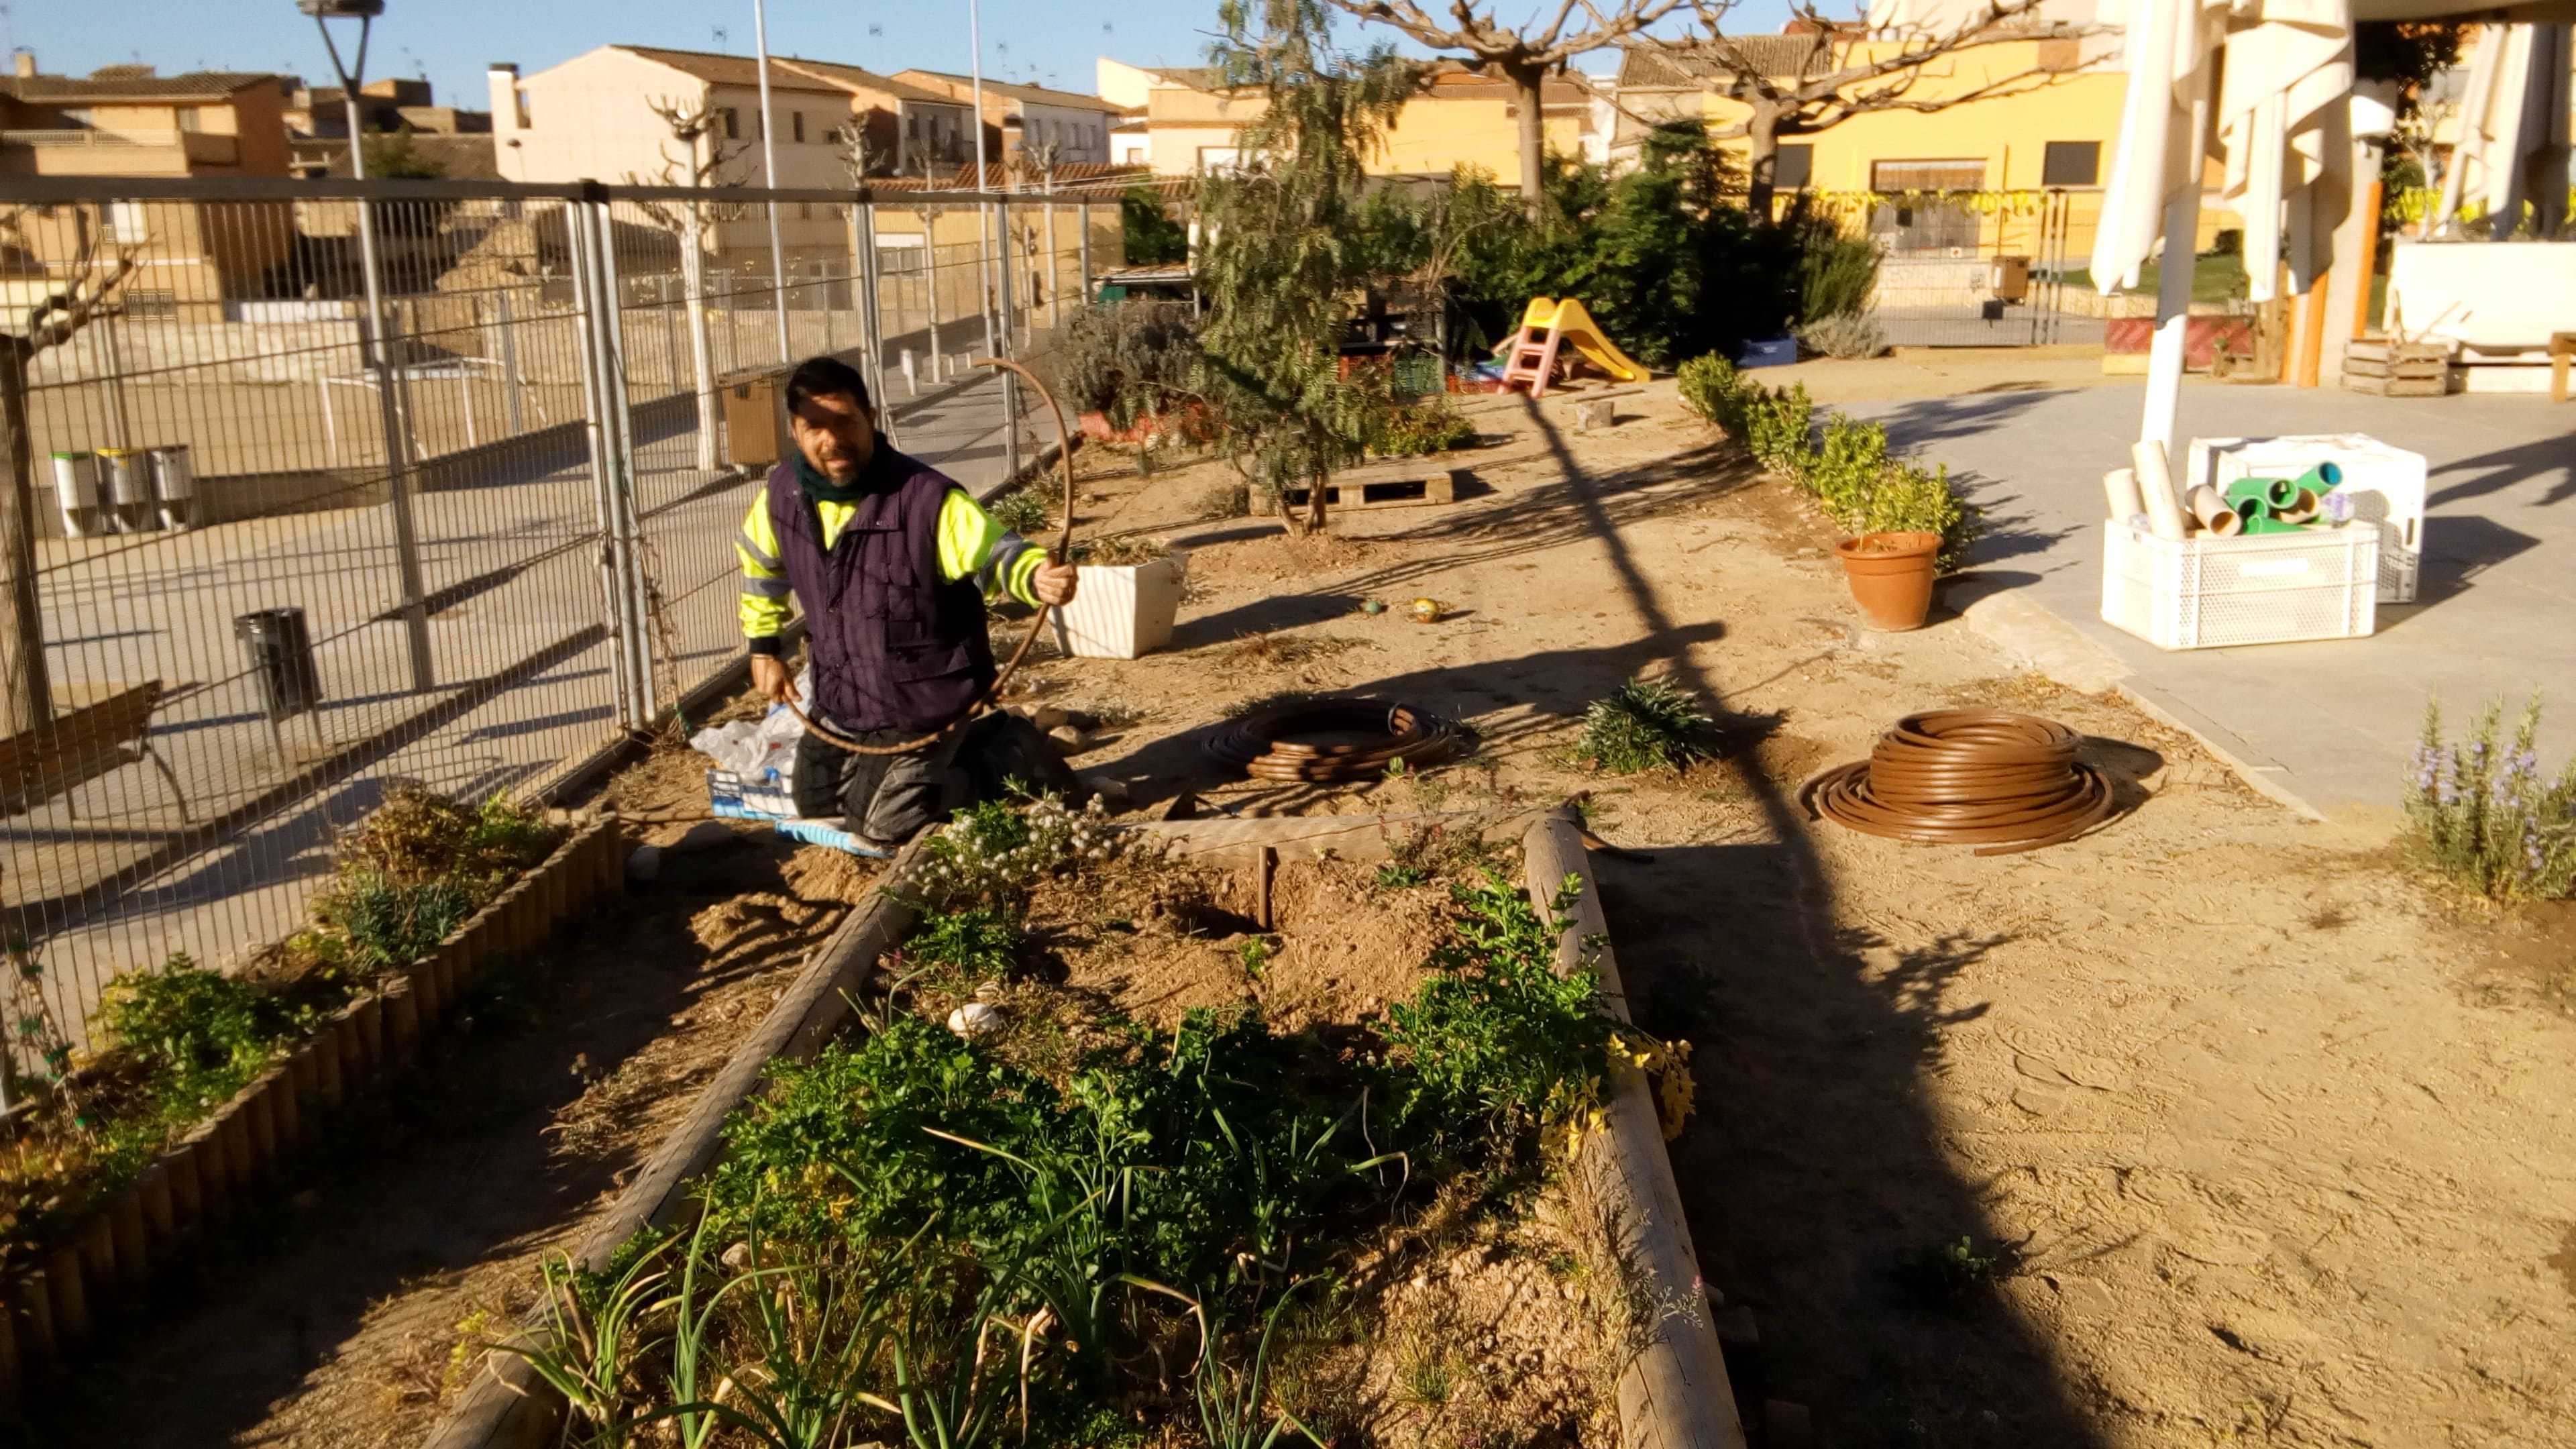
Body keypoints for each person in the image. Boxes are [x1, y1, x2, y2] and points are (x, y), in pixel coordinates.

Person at [736, 356, 1081, 849]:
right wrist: (764, 646)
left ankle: (1008, 758)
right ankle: (973, 751)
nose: (831, 440)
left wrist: (1037, 576)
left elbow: (996, 553)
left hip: (924, 699)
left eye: (845, 421)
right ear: (795, 430)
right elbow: (761, 565)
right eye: (815, 426)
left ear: (871, 419)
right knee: (818, 806)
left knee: (881, 826)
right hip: (843, 693)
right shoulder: (781, 496)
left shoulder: (924, 499)